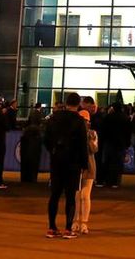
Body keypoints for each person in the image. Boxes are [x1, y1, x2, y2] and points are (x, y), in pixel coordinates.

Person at [44, 92, 89, 238]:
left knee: (55, 195)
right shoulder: (79, 121)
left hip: (57, 160)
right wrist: (84, 163)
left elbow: (46, 139)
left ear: (66, 102)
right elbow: (83, 144)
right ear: (78, 104)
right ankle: (68, 229)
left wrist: (53, 150)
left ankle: (52, 227)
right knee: (71, 196)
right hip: (73, 162)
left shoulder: (54, 118)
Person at [70, 106, 98, 234]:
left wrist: (88, 139)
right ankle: (75, 221)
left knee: (85, 195)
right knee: (77, 196)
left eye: (85, 120)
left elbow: (94, 149)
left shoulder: (92, 134)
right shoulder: (73, 134)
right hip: (76, 166)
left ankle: (84, 222)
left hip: (89, 166)